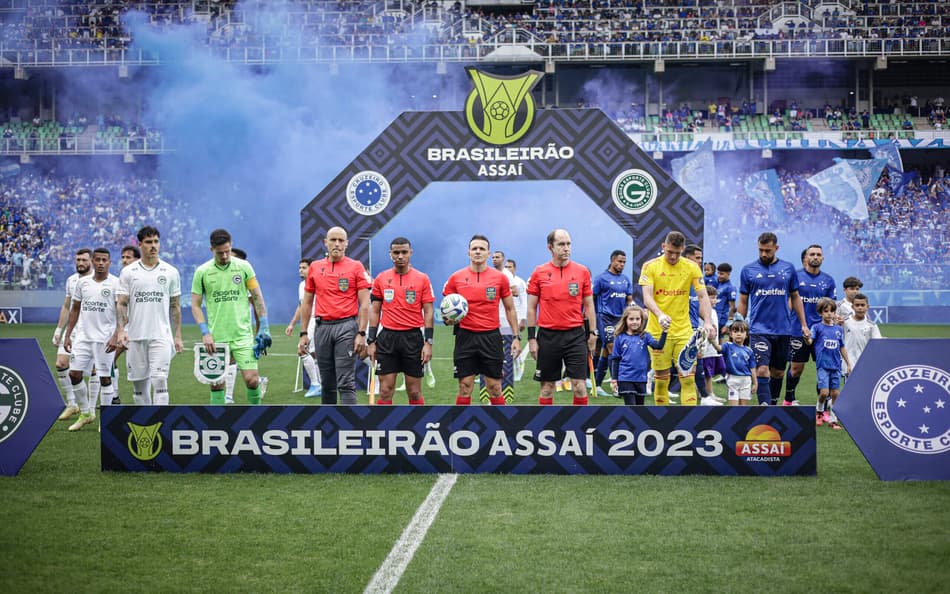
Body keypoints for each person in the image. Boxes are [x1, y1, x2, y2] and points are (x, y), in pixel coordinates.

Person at [191, 231, 271, 405]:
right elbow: (195, 305)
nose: (225, 255)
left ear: (231, 245)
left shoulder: (244, 267)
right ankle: (217, 424)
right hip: (216, 338)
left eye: (228, 251)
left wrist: (264, 328)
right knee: (217, 384)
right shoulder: (202, 272)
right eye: (220, 252)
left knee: (252, 379)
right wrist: (205, 332)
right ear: (211, 249)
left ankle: (256, 417)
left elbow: (257, 297)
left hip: (242, 336)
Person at [296, 226, 371, 405]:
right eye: (333, 240)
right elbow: (306, 303)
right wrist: (303, 333)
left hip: (346, 327)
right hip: (322, 328)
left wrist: (361, 333)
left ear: (347, 244)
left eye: (340, 240)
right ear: (326, 243)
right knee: (327, 384)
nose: (337, 244)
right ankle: (328, 429)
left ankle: (349, 429)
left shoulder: (356, 267)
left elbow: (365, 304)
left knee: (345, 383)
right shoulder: (315, 267)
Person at [640, 232, 716, 406]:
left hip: (684, 332)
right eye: (670, 252)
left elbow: (703, 296)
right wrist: (659, 315)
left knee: (688, 379)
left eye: (677, 253)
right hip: (658, 332)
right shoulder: (650, 266)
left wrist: (707, 322)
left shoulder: (691, 267)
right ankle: (663, 423)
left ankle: (688, 422)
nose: (673, 256)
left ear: (682, 250)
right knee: (661, 380)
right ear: (663, 247)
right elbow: (647, 297)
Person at [444, 235, 520, 406]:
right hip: (465, 337)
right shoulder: (456, 278)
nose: (478, 251)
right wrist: (448, 319)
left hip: (491, 338)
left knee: (495, 387)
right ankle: (461, 428)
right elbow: (447, 309)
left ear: (488, 253)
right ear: (468, 252)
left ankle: (501, 428)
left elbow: (510, 308)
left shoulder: (500, 278)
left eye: (482, 249)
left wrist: (516, 337)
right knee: (465, 386)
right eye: (474, 248)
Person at [112, 226, 183, 405]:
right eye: (149, 242)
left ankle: (160, 424)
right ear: (140, 244)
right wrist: (120, 331)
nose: (153, 246)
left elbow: (175, 306)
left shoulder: (170, 272)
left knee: (160, 381)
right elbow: (121, 303)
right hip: (135, 336)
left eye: (156, 242)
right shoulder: (128, 272)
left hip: (161, 335)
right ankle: (147, 422)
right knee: (139, 387)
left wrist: (178, 335)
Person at [527, 228, 597, 406]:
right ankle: (544, 430)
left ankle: (579, 429)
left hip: (575, 336)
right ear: (550, 247)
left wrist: (593, 334)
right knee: (547, 388)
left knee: (579, 386)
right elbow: (531, 307)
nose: (566, 248)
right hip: (548, 336)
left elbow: (589, 305)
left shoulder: (582, 272)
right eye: (561, 244)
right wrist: (531, 339)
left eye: (568, 244)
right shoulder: (539, 272)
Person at [737, 232, 809, 406]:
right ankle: (765, 408)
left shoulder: (788, 268)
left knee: (778, 373)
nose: (763, 254)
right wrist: (739, 324)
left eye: (768, 251)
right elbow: (743, 299)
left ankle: (773, 406)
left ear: (776, 248)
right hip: (758, 330)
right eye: (761, 250)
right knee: (762, 370)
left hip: (784, 329)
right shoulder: (748, 270)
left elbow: (795, 296)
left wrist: (804, 324)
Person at [366, 237, 435, 405]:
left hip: (413, 338)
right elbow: (374, 310)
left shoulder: (422, 278)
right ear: (390, 254)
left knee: (414, 392)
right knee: (385, 391)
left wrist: (428, 343)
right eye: (396, 252)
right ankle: (383, 428)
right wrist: (371, 341)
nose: (400, 256)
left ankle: (417, 429)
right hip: (387, 338)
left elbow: (428, 311)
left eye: (404, 252)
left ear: (410, 253)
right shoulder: (381, 279)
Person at [62, 247, 118, 431]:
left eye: (105, 260)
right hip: (83, 338)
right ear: (93, 261)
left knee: (105, 379)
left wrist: (116, 335)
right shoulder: (83, 283)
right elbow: (75, 309)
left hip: (105, 339)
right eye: (98, 260)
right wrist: (68, 334)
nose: (101, 263)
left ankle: (106, 419)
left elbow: (122, 313)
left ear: (109, 262)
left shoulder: (116, 283)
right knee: (74, 374)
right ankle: (86, 412)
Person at [784, 245, 836, 406]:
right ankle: (788, 399)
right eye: (812, 254)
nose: (815, 257)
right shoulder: (795, 277)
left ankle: (823, 403)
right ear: (806, 257)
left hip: (822, 332)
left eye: (818, 254)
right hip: (798, 330)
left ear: (823, 258)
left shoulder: (828, 280)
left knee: (824, 367)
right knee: (796, 368)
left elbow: (831, 306)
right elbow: (789, 302)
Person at [53, 248, 92, 420]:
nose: (81, 263)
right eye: (78, 260)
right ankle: (72, 404)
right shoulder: (71, 280)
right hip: (73, 330)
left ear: (91, 261)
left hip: (92, 331)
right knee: (61, 363)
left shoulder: (99, 280)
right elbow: (67, 306)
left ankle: (92, 407)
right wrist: (59, 330)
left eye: (84, 260)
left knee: (96, 371)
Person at [592, 249, 634, 397]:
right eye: (619, 261)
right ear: (612, 261)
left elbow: (629, 299)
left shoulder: (625, 279)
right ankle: (616, 385)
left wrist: (630, 313)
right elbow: (592, 298)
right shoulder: (601, 279)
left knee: (605, 351)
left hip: (619, 320)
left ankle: (596, 385)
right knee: (613, 349)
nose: (622, 264)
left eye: (624, 262)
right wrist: (592, 318)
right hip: (605, 318)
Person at [479, 250, 518, 402]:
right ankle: (486, 398)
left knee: (504, 365)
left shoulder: (505, 275)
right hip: (489, 326)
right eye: (493, 257)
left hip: (505, 325)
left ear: (503, 259)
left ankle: (504, 397)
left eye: (497, 257)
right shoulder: (487, 275)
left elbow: (515, 291)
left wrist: (502, 291)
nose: (495, 260)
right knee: (486, 367)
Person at [684, 243, 720, 405]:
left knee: (695, 361)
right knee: (668, 367)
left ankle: (704, 396)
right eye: (697, 258)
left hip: (691, 327)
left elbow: (698, 303)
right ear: (687, 257)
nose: (700, 261)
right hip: (674, 328)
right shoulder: (676, 276)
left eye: (701, 258)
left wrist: (708, 323)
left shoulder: (697, 278)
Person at [609, 304, 667, 405]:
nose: (635, 322)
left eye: (637, 319)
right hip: (625, 379)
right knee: (631, 408)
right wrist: (614, 379)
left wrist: (665, 332)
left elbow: (658, 346)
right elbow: (615, 359)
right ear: (625, 320)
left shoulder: (645, 336)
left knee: (640, 409)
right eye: (631, 319)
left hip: (641, 378)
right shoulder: (620, 337)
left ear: (641, 320)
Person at [807, 298, 852, 429]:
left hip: (836, 366)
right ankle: (819, 412)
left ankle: (833, 420)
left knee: (835, 394)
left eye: (832, 311)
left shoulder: (838, 329)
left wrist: (848, 363)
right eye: (826, 311)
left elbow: (842, 347)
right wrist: (806, 338)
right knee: (824, 393)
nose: (829, 314)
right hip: (823, 366)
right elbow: (810, 341)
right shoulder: (817, 327)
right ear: (820, 313)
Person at [286, 257, 322, 398]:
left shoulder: (319, 283)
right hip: (309, 322)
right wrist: (292, 324)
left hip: (318, 320)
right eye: (299, 267)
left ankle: (315, 384)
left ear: (311, 268)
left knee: (302, 350)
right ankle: (320, 385)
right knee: (313, 354)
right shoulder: (302, 285)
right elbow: (301, 306)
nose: (300, 270)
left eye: (304, 267)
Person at [713, 320, 757, 406]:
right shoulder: (727, 346)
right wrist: (712, 340)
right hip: (732, 379)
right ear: (731, 334)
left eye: (742, 331)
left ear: (747, 335)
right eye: (735, 331)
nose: (738, 334)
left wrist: (755, 383)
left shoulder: (749, 351)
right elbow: (718, 348)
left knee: (743, 408)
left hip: (746, 381)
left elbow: (752, 368)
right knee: (733, 408)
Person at [841, 292, 882, 382]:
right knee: (850, 392)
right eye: (857, 305)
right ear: (852, 307)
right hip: (849, 364)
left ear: (867, 307)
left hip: (866, 364)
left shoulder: (872, 325)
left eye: (862, 305)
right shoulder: (844, 323)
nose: (860, 307)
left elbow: (878, 343)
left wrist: (884, 341)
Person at [505, 258, 529, 381]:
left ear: (514, 268)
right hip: (504, 318)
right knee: (504, 345)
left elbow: (524, 301)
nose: (507, 269)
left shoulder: (520, 282)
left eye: (510, 267)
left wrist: (523, 319)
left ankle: (517, 367)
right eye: (506, 267)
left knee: (513, 343)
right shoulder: (502, 280)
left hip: (517, 317)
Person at [714, 263, 737, 334]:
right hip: (715, 319)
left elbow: (732, 307)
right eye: (718, 273)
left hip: (723, 322)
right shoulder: (718, 285)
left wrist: (728, 325)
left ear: (728, 274)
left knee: (721, 344)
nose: (719, 276)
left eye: (721, 274)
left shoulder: (730, 288)